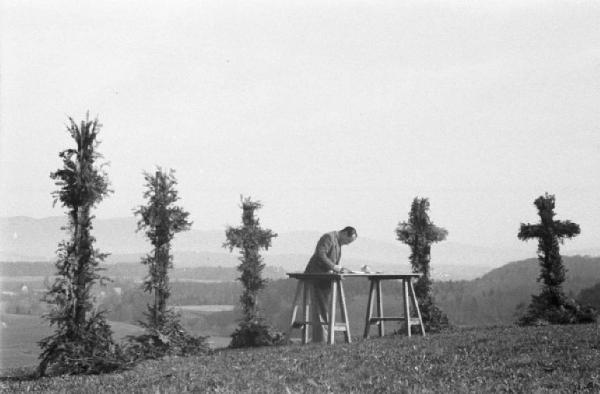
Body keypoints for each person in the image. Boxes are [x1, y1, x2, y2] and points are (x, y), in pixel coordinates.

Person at [304, 226, 357, 342]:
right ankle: (320, 339)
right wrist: (334, 267)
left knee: (324, 307)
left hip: (326, 275)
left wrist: (340, 268)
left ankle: (323, 337)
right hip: (316, 274)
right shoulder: (328, 237)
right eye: (348, 241)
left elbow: (333, 260)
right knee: (320, 306)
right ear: (344, 233)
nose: (347, 244)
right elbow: (320, 254)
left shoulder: (338, 242)